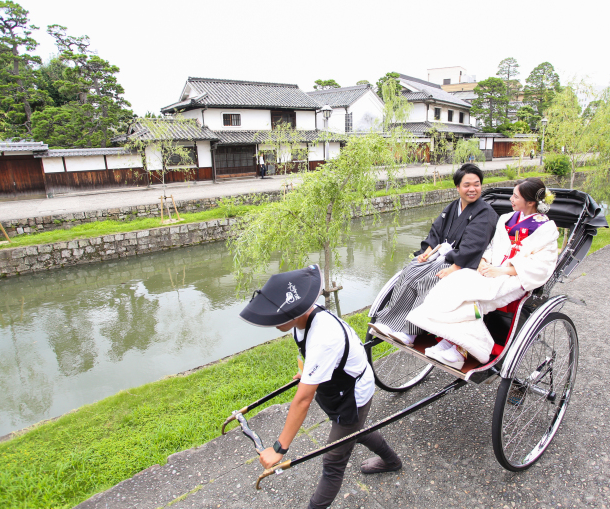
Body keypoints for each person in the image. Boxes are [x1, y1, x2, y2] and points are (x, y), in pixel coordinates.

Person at [240, 265, 402, 509]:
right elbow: (319, 360)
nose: (275, 321)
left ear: (295, 312)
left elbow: (303, 400)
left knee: (333, 460)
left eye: (279, 316)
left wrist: (278, 448)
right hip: (338, 387)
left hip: (353, 393)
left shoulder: (323, 336)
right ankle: (392, 461)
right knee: (355, 429)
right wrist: (309, 373)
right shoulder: (301, 323)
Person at [407, 178, 559, 368]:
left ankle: (464, 349)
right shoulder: (506, 219)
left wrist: (502, 270)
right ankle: (451, 340)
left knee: (470, 299)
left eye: (515, 196)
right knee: (453, 281)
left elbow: (541, 265)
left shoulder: (546, 229)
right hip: (491, 269)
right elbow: (492, 247)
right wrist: (484, 261)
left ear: (530, 202)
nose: (511, 199)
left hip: (515, 277)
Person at [370, 163, 498, 346]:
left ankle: (411, 332)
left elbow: (474, 246)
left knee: (429, 280)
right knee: (411, 270)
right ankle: (389, 322)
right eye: (467, 185)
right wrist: (427, 252)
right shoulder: (453, 207)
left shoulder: (485, 213)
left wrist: (455, 267)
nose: (472, 189)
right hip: (441, 257)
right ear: (457, 187)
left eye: (476, 184)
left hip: (463, 264)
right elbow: (436, 232)